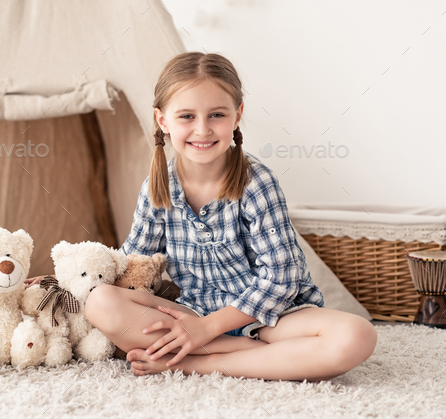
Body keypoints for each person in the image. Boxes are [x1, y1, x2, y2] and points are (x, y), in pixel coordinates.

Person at [25, 52, 377, 382]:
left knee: (356, 335)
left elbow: (282, 279)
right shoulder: (158, 186)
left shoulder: (257, 183)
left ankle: (199, 363)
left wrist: (207, 330)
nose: (203, 129)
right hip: (191, 313)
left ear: (237, 115)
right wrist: (68, 280)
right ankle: (264, 357)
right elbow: (132, 264)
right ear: (163, 121)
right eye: (187, 116)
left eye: (216, 115)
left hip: (267, 317)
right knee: (101, 301)